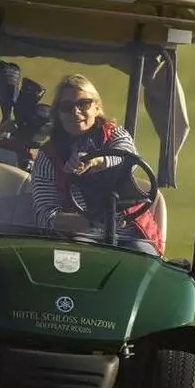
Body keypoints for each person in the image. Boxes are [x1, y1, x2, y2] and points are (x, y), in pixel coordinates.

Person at [30, 73, 163, 255]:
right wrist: (94, 221)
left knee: (145, 259)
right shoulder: (47, 156)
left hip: (130, 233)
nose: (76, 112)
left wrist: (98, 160)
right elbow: (47, 215)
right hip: (81, 234)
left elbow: (128, 156)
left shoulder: (116, 135)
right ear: (58, 114)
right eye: (67, 107)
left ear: (97, 107)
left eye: (83, 104)